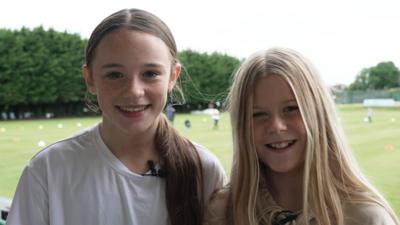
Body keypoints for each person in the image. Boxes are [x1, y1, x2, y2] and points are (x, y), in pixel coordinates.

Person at [7, 8, 225, 225]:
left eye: (150, 73)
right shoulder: (48, 170)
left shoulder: (204, 170)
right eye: (114, 75)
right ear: (90, 79)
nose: (134, 91)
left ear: (172, 77)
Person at [204, 48, 399, 225]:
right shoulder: (223, 212)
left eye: (291, 109)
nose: (276, 126)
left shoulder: (364, 217)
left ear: (319, 114)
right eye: (258, 114)